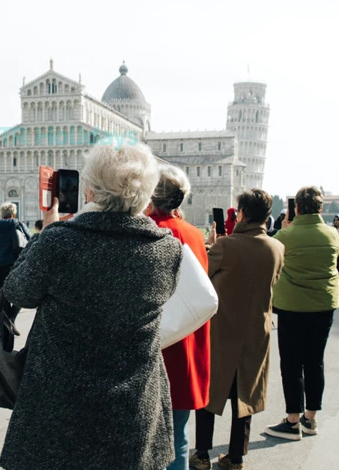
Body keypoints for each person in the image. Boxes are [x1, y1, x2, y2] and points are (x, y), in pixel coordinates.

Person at [0, 144, 181, 470]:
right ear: (147, 193)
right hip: (133, 408)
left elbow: (18, 291)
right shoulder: (167, 250)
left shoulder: (60, 241)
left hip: (58, 406)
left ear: (91, 189)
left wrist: (47, 230)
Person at [193, 189, 283, 470]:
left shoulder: (226, 246)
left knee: (211, 389)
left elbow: (204, 275)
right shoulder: (277, 248)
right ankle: (236, 456)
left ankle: (202, 453)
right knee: (246, 392)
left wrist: (213, 244)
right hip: (256, 329)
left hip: (223, 329)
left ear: (242, 213)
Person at [146, 165, 210, 470]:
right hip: (185, 341)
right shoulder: (193, 234)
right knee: (178, 436)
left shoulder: (145, 229)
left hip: (152, 343)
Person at [264, 186, 339, 441]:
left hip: (293, 306)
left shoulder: (286, 235)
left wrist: (285, 227)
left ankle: (292, 420)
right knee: (315, 361)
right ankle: (311, 418)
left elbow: (273, 256)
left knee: (292, 364)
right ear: (321, 207)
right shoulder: (332, 234)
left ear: (296, 208)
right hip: (323, 305)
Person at [0, 203, 30, 295]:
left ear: (2, 213)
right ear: (14, 213)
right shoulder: (18, 223)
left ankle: (4, 309)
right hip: (14, 263)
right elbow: (30, 240)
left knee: (0, 291)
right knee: (17, 292)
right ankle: (11, 310)